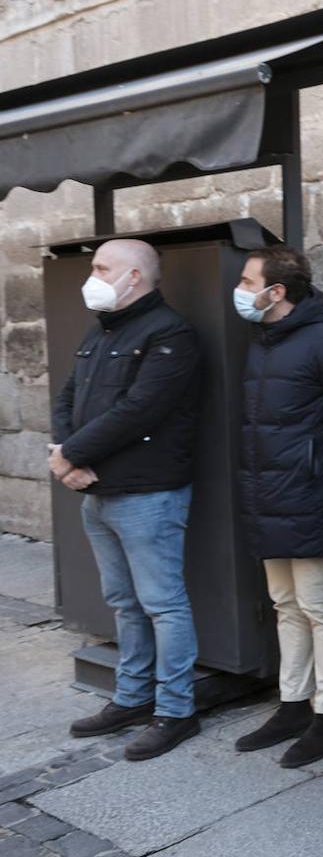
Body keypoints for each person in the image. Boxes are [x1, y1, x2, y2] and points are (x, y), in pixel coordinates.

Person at [53, 239, 203, 761]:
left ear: (133, 276)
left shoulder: (171, 335)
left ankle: (176, 710)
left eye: (100, 267)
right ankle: (133, 697)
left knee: (163, 604)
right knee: (124, 602)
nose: (90, 276)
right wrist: (65, 455)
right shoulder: (102, 331)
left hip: (148, 494)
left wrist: (69, 453)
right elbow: (68, 398)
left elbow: (140, 410)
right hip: (97, 490)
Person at [229, 246, 323, 768]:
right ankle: (292, 706)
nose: (239, 290)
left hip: (311, 498)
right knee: (285, 605)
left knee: (320, 609)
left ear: (277, 291)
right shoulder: (263, 340)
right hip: (268, 496)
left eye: (247, 281)